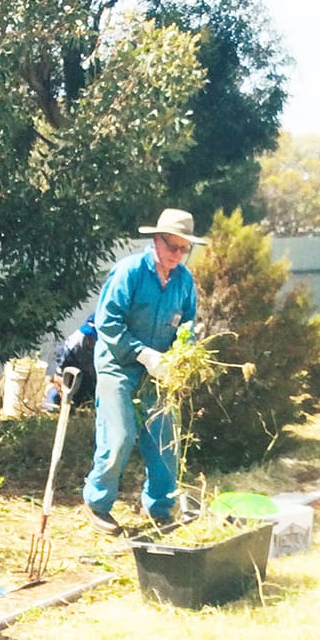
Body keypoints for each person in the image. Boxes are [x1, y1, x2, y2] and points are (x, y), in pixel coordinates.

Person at [81, 208, 205, 535]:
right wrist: (142, 353)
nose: (177, 255)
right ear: (156, 240)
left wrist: (181, 354)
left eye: (184, 249)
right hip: (118, 365)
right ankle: (97, 503)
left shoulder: (184, 281)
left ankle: (160, 507)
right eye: (172, 246)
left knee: (166, 439)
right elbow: (107, 322)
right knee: (120, 436)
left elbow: (188, 323)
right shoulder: (129, 272)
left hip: (159, 371)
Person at [43, 314, 98, 411]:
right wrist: (59, 375)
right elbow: (63, 355)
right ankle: (51, 406)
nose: (91, 342)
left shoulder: (99, 341)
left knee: (87, 396)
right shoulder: (78, 339)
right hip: (70, 370)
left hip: (87, 373)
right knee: (57, 397)